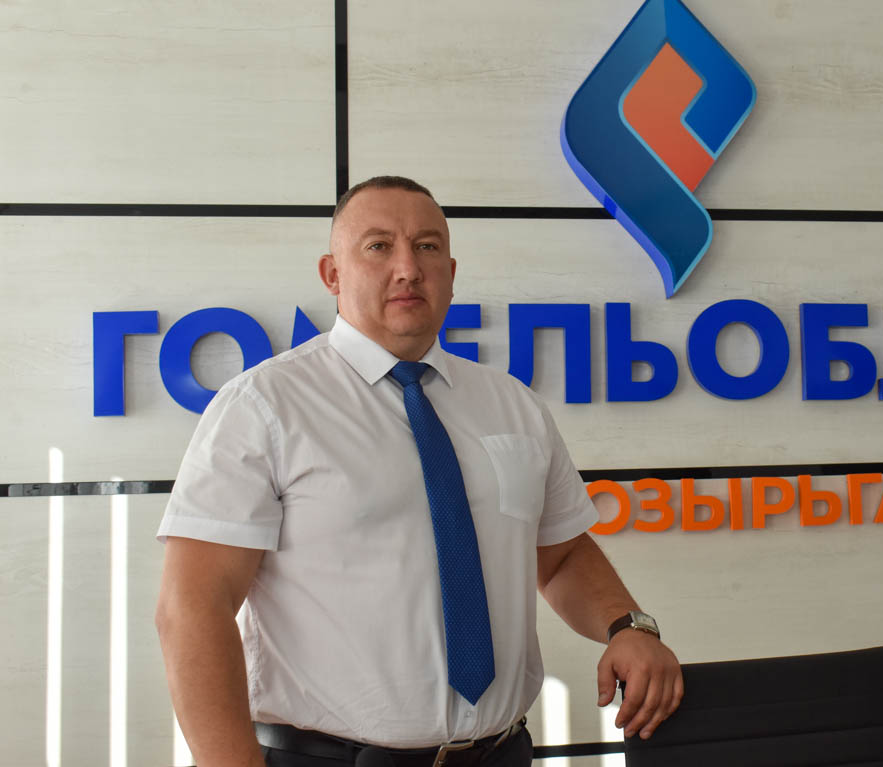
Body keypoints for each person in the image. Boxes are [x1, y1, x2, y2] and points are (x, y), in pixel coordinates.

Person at [155, 176, 683, 767]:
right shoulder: (263, 406)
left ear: (451, 273)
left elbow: (559, 555)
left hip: (502, 755)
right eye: (378, 246)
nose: (408, 268)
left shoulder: (513, 405)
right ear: (332, 274)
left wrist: (627, 626)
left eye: (427, 247)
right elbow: (193, 608)